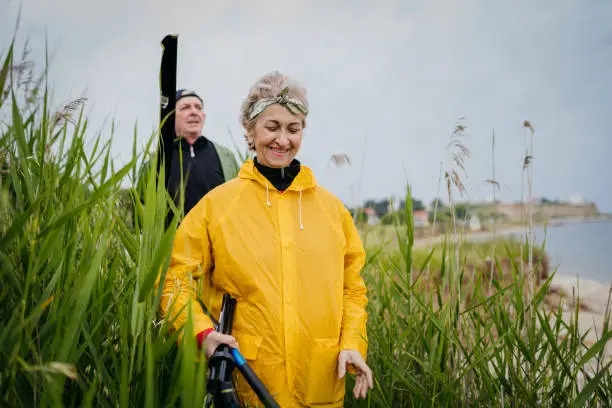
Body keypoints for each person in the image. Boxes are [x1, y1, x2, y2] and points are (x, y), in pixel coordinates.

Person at [158, 71, 373, 407]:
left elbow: (353, 289)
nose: (283, 140)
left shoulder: (333, 211)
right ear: (250, 129)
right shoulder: (218, 206)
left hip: (320, 385)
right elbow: (173, 279)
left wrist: (352, 344)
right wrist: (201, 332)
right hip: (247, 383)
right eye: (272, 127)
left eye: (293, 128)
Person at [138, 89, 239, 223]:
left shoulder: (226, 157)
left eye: (198, 107)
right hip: (174, 242)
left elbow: (239, 203)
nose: (193, 112)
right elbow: (141, 209)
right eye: (185, 108)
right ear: (171, 117)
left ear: (204, 116)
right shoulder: (157, 160)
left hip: (217, 241)